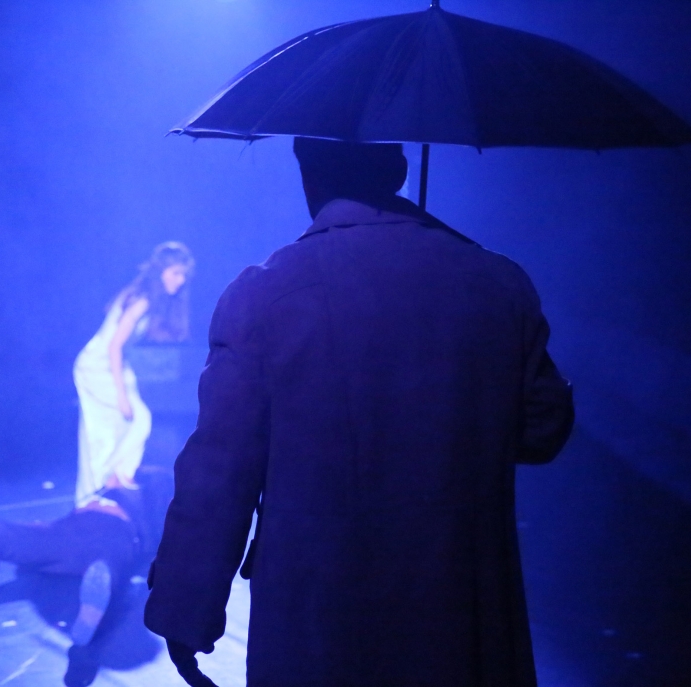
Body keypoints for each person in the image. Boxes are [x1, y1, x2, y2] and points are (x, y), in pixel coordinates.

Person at [144, 138, 575, 687]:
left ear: (308, 172)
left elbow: (221, 469)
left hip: (320, 626)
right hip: (462, 617)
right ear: (397, 169)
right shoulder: (498, 282)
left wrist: (185, 608)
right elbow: (542, 430)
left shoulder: (264, 295)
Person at [0, 467, 173, 686]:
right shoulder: (104, 483)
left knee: (108, 561)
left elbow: (166, 518)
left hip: (113, 532)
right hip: (65, 533)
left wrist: (134, 481)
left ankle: (93, 616)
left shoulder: (153, 487)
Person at [73, 242, 194, 503]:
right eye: (175, 273)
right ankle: (103, 488)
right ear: (161, 271)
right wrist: (121, 394)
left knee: (130, 423)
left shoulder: (146, 298)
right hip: (97, 366)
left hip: (115, 364)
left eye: (183, 275)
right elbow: (114, 345)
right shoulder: (142, 299)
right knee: (117, 427)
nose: (181, 280)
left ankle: (112, 482)